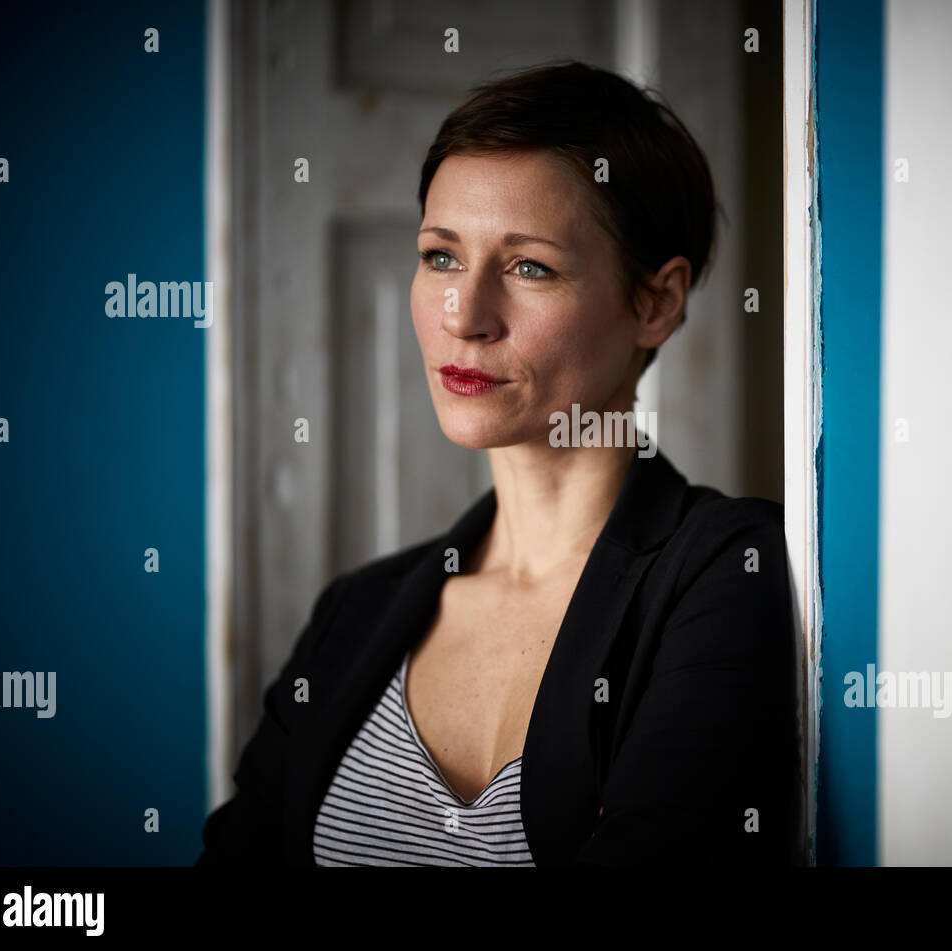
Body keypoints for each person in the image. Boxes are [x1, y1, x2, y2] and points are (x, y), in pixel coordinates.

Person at [197, 60, 801, 867]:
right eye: (442, 256)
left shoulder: (731, 569)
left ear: (655, 302)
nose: (465, 316)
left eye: (529, 267)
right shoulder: (356, 613)